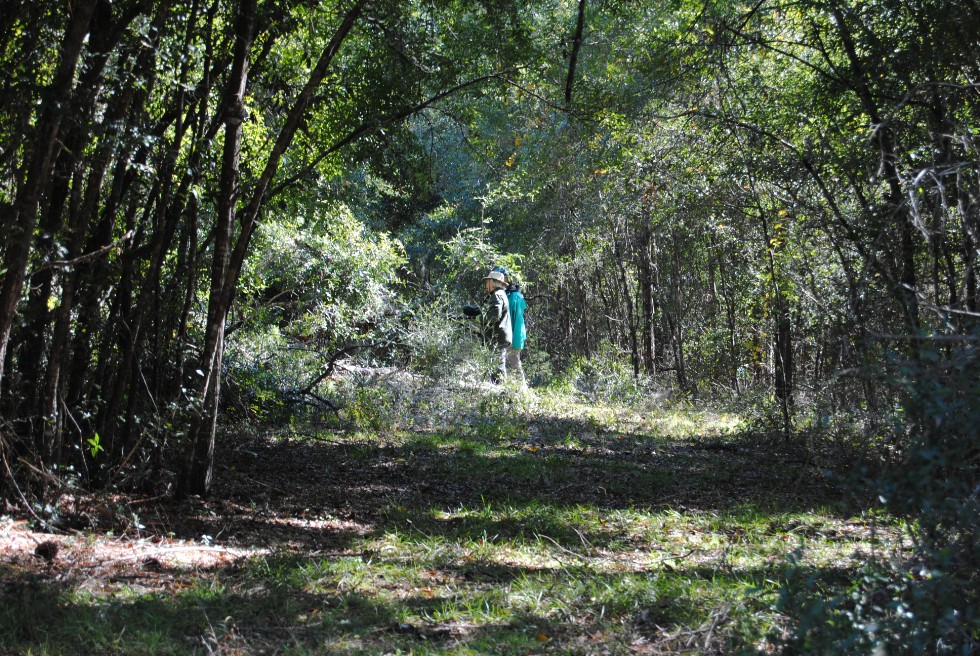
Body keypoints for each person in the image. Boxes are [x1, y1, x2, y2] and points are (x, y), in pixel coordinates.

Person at [481, 269, 512, 383]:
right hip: (500, 336)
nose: (486, 285)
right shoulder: (502, 294)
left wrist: (479, 318)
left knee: (497, 366)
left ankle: (500, 391)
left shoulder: (497, 295)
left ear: (492, 282)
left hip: (497, 337)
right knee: (498, 363)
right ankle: (499, 389)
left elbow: (494, 316)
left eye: (487, 282)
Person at [504, 278, 527, 387]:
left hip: (513, 338)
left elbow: (518, 322)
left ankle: (522, 391)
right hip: (506, 337)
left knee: (515, 364)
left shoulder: (515, 297)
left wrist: (517, 343)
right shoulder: (506, 295)